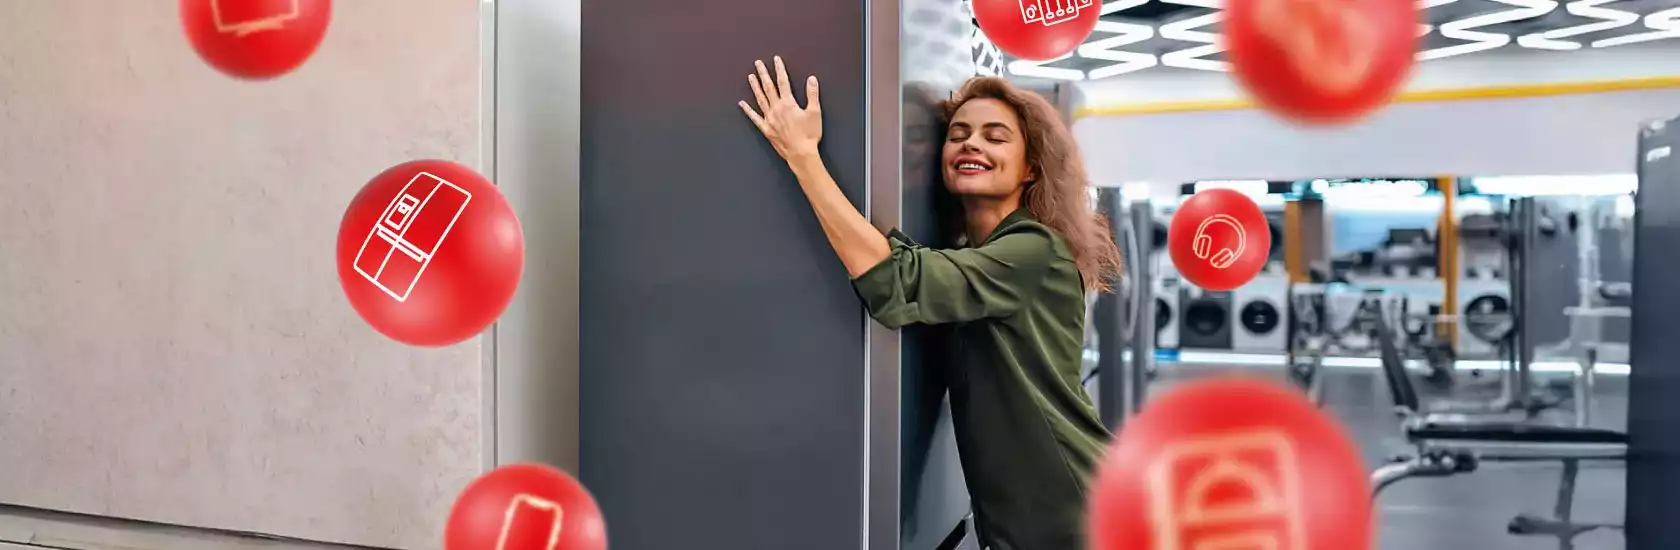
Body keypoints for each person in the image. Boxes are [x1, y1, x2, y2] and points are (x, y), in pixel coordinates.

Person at [738, 56, 1122, 550]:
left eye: (995, 136)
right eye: (958, 133)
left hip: (1074, 516)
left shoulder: (1033, 250)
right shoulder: (977, 254)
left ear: (1030, 168)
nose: (971, 143)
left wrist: (803, 156)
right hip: (1027, 519)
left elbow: (895, 280)